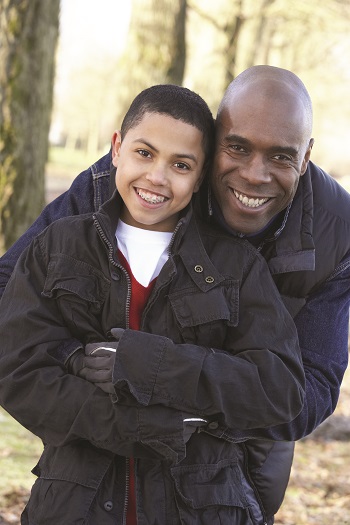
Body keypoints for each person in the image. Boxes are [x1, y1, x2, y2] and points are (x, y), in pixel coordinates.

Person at [0, 66, 349, 521]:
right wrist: (75, 359)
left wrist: (161, 380)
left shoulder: (336, 232)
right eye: (237, 148)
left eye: (281, 157)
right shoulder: (126, 181)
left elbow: (305, 392)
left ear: (305, 158)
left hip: (235, 456)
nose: (254, 174)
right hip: (87, 464)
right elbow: (13, 305)